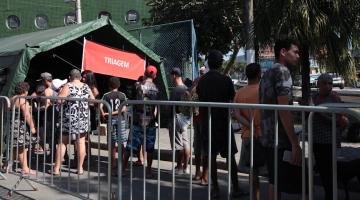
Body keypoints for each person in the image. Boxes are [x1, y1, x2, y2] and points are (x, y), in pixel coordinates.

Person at [197, 50, 245, 198]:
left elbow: (199, 97)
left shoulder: (202, 81)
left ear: (209, 64)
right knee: (230, 156)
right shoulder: (226, 80)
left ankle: (216, 188)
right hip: (223, 122)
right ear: (220, 63)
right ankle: (235, 187)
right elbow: (233, 97)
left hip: (207, 122)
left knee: (211, 156)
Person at [259, 38, 302, 199]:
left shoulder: (268, 72)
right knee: (300, 184)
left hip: (268, 137)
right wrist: (295, 143)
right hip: (280, 139)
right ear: (283, 52)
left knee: (274, 182)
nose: (298, 56)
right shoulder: (282, 71)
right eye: (295, 52)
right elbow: (284, 109)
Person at [311, 73, 348, 200]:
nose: (328, 86)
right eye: (325, 83)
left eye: (330, 83)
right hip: (316, 140)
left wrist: (322, 114)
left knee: (329, 171)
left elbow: (342, 120)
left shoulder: (334, 99)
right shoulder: (313, 97)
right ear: (318, 84)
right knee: (322, 170)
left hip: (329, 141)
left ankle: (331, 195)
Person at [52, 69, 94, 175]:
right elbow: (93, 101)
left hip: (69, 118)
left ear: (70, 77)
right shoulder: (86, 86)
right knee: (81, 142)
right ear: (80, 77)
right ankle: (80, 168)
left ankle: (56, 169)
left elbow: (59, 100)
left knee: (62, 142)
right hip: (83, 118)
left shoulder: (68, 85)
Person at [123, 65, 159, 178]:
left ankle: (123, 170)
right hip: (151, 121)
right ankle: (148, 171)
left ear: (145, 73)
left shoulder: (137, 85)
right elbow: (157, 106)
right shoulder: (157, 89)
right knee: (150, 147)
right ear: (155, 75)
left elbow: (131, 99)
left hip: (138, 120)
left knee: (130, 146)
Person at [234, 63, 263, 200]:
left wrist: (250, 126)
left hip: (248, 135)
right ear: (259, 74)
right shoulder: (263, 90)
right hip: (265, 135)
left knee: (253, 172)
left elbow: (237, 114)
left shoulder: (239, 93)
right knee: (271, 172)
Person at [100, 77, 127, 176]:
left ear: (109, 85)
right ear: (118, 85)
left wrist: (105, 113)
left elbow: (100, 106)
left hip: (111, 120)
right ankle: (121, 167)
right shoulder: (122, 95)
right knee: (121, 142)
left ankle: (112, 165)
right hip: (121, 120)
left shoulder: (106, 95)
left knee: (112, 143)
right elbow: (123, 108)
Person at [11, 82, 37, 175]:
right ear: (25, 91)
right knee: (22, 148)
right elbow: (27, 115)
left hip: (12, 124)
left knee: (15, 147)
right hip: (20, 126)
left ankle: (8, 165)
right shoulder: (23, 101)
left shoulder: (12, 99)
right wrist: (33, 127)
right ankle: (25, 168)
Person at [168, 67, 191, 175]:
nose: (170, 78)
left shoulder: (175, 90)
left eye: (170, 75)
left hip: (176, 118)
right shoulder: (186, 88)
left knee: (178, 145)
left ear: (174, 75)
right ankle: (186, 167)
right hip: (186, 120)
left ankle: (179, 167)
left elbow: (170, 107)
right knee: (185, 143)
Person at [191, 66, 207, 182]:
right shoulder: (203, 81)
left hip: (198, 118)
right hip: (203, 118)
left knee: (198, 146)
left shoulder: (196, 81)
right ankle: (203, 175)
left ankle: (198, 173)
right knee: (204, 147)